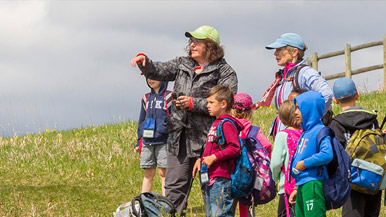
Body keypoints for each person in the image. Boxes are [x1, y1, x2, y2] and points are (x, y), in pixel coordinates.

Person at [130, 25, 238, 214]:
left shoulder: (225, 71)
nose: (192, 45)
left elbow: (226, 104)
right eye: (191, 41)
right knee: (173, 193)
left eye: (197, 42)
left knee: (212, 192)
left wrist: (192, 103)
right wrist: (144, 62)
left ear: (210, 47)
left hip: (209, 142)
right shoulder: (183, 63)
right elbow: (158, 71)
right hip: (178, 139)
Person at [254, 33, 333, 139]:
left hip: (298, 136)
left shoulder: (304, 72)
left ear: (294, 52)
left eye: (279, 50)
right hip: (288, 135)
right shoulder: (286, 74)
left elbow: (326, 93)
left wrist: (312, 119)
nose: (275, 53)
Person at [329, 77, 382, 217]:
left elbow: (334, 154)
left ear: (335, 100)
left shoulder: (336, 124)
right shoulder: (371, 118)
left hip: (351, 179)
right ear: (357, 95)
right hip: (374, 176)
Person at [192, 85, 242, 217]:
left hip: (221, 178)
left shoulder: (227, 124)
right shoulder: (216, 123)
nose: (207, 105)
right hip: (211, 177)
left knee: (220, 214)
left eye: (211, 102)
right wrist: (201, 160)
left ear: (223, 104)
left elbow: (235, 148)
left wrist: (214, 157)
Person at [288, 91, 334, 217]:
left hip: (313, 184)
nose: (296, 112)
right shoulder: (306, 132)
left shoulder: (320, 131)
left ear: (310, 109)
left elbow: (327, 154)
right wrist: (297, 187)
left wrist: (305, 163)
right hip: (303, 184)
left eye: (299, 108)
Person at [230, 93, 272, 217]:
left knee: (228, 208)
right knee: (247, 207)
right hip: (249, 175)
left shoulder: (229, 128)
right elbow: (267, 146)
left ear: (232, 110)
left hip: (231, 174)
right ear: (250, 112)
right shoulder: (254, 131)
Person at [135, 78, 171, 196]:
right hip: (147, 141)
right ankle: (144, 202)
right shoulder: (145, 98)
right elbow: (141, 120)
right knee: (148, 172)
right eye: (148, 77)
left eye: (154, 77)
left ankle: (166, 204)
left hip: (164, 141)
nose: (150, 80)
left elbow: (174, 119)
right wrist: (139, 141)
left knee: (163, 172)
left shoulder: (170, 97)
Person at [270, 100, 302, 217]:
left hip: (287, 186)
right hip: (304, 183)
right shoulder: (305, 133)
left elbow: (275, 163)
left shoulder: (282, 135)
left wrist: (275, 177)